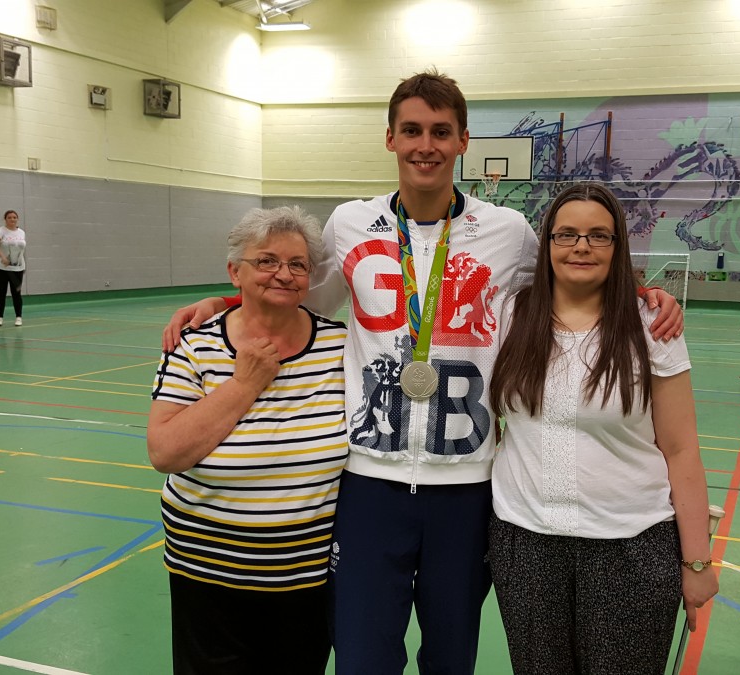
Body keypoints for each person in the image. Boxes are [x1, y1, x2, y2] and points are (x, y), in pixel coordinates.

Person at [161, 70, 684, 674]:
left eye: (441, 131)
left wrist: (643, 295)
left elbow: (570, 280)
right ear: (390, 138)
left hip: (465, 488)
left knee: (449, 658)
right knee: (363, 657)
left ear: (464, 141)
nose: (425, 145)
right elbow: (302, 295)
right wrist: (226, 303)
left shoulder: (508, 232)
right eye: (411, 130)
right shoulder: (349, 223)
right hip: (367, 485)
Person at [487, 183, 717, 674]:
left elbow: (681, 451)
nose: (581, 246)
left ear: (618, 247)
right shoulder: (509, 316)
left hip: (630, 548)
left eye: (599, 236)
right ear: (546, 244)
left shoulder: (651, 325)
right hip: (526, 545)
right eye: (566, 234)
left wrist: (697, 562)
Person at [147, 206, 347, 675]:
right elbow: (165, 451)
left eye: (298, 265)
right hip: (207, 575)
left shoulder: (343, 347)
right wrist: (243, 384)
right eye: (267, 261)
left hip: (306, 580)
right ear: (235, 272)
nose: (284, 274)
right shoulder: (194, 345)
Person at [0, 210, 26, 326]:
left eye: (14, 217)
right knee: (2, 292)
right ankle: (0, 317)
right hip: (1, 268)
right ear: (5, 219)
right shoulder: (0, 231)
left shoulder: (21, 232)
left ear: (17, 219)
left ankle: (18, 317)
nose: (12, 219)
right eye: (9, 217)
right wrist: (3, 257)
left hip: (17, 268)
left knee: (16, 293)